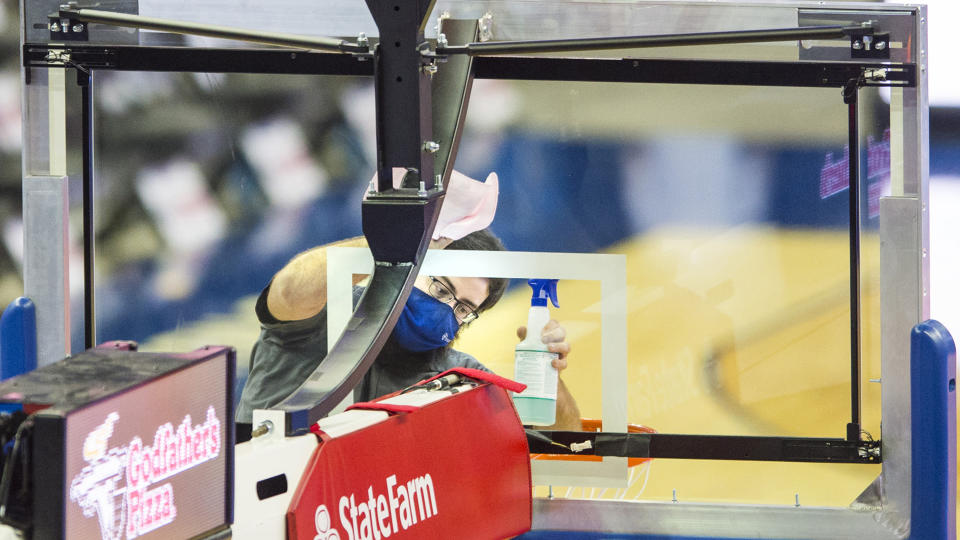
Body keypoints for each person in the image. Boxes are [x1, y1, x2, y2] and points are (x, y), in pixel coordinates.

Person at [236, 170, 581, 434]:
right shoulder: (327, 315)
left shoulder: (456, 377)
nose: (446, 312)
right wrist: (403, 246)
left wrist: (551, 376)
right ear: (413, 270)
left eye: (463, 310)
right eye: (442, 290)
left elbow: (561, 440)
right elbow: (289, 293)